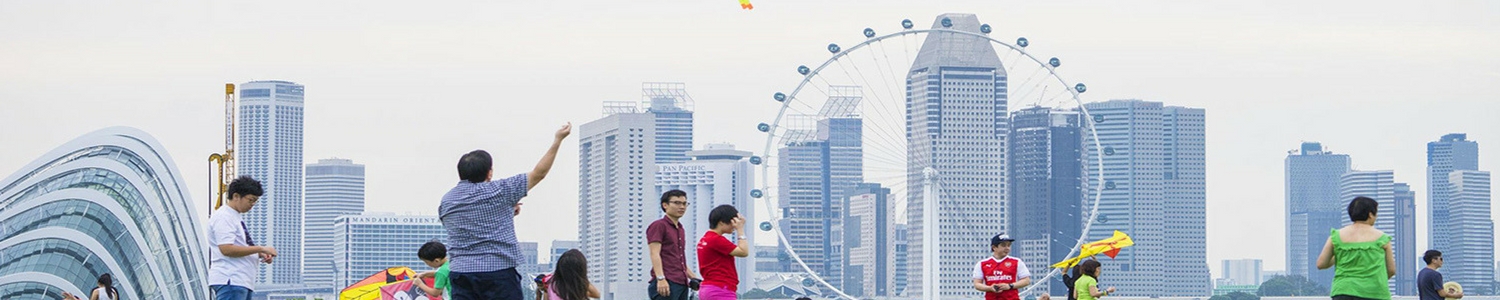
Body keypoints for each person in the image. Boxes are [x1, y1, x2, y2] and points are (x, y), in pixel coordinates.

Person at [440, 123, 570, 300]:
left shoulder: (447, 200)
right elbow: (539, 173)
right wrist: (558, 140)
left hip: (461, 273)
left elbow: (467, 225)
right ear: (489, 173)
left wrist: (506, 212)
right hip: (497, 272)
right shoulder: (501, 191)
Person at [207, 176, 276, 300]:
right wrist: (261, 248)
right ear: (236, 196)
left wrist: (260, 253)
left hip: (240, 280)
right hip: (231, 279)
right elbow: (226, 249)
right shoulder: (224, 217)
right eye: (250, 200)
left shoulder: (234, 217)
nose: (253, 204)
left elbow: (239, 246)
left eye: (255, 201)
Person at [1318, 196, 1396, 300]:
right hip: (1374, 292)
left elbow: (1321, 264)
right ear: (1370, 214)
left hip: (1343, 290)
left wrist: (1339, 254)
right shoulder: (1382, 238)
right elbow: (1391, 270)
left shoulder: (1336, 237)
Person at [648, 190, 702, 300]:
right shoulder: (658, 225)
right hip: (666, 282)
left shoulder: (680, 229)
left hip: (682, 283)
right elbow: (655, 253)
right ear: (665, 205)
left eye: (684, 203)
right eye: (677, 203)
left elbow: (679, 259)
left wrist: (693, 278)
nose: (682, 206)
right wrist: (660, 278)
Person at [696, 205, 751, 300]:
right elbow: (743, 252)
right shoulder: (716, 239)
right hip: (721, 289)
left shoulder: (705, 239)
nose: (734, 226)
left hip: (708, 288)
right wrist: (740, 230)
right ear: (721, 222)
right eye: (732, 222)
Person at [972, 234, 1032, 300]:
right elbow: (977, 284)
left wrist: (1010, 286)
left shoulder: (1017, 262)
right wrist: (990, 288)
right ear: (994, 247)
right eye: (1003, 245)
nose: (1007, 248)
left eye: (1009, 245)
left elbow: (1026, 280)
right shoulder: (982, 263)